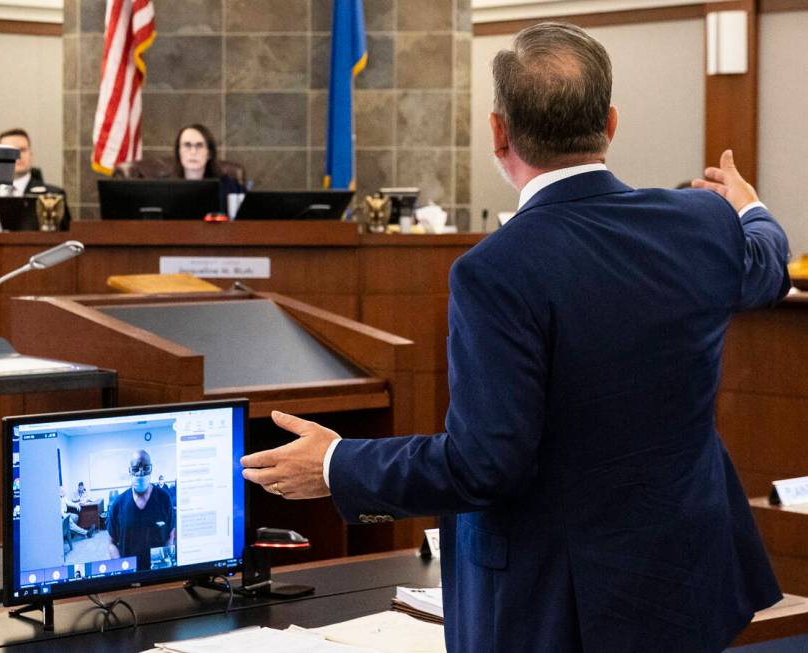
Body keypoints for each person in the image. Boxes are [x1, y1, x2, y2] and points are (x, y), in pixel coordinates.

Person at [240, 22, 790, 653]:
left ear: (498, 132)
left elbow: (486, 467)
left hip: (561, 616)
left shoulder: (495, 270)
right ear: (610, 124)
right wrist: (749, 207)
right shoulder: (701, 224)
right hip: (686, 588)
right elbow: (767, 265)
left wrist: (337, 465)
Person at [0, 128, 71, 231]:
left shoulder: (53, 196)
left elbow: (65, 238)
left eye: (22, 150)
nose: (17, 156)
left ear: (31, 155)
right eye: (10, 151)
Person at [107, 449, 175, 571]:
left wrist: (165, 563)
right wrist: (121, 567)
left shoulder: (164, 499)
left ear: (151, 469)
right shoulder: (118, 504)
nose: (141, 473)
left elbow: (171, 535)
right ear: (129, 470)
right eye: (136, 469)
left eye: (145, 468)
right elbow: (111, 543)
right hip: (129, 571)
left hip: (158, 570)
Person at [173, 123, 244, 211]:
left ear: (209, 154)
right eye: (187, 145)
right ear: (178, 152)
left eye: (199, 145)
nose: (193, 152)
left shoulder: (229, 186)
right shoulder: (166, 188)